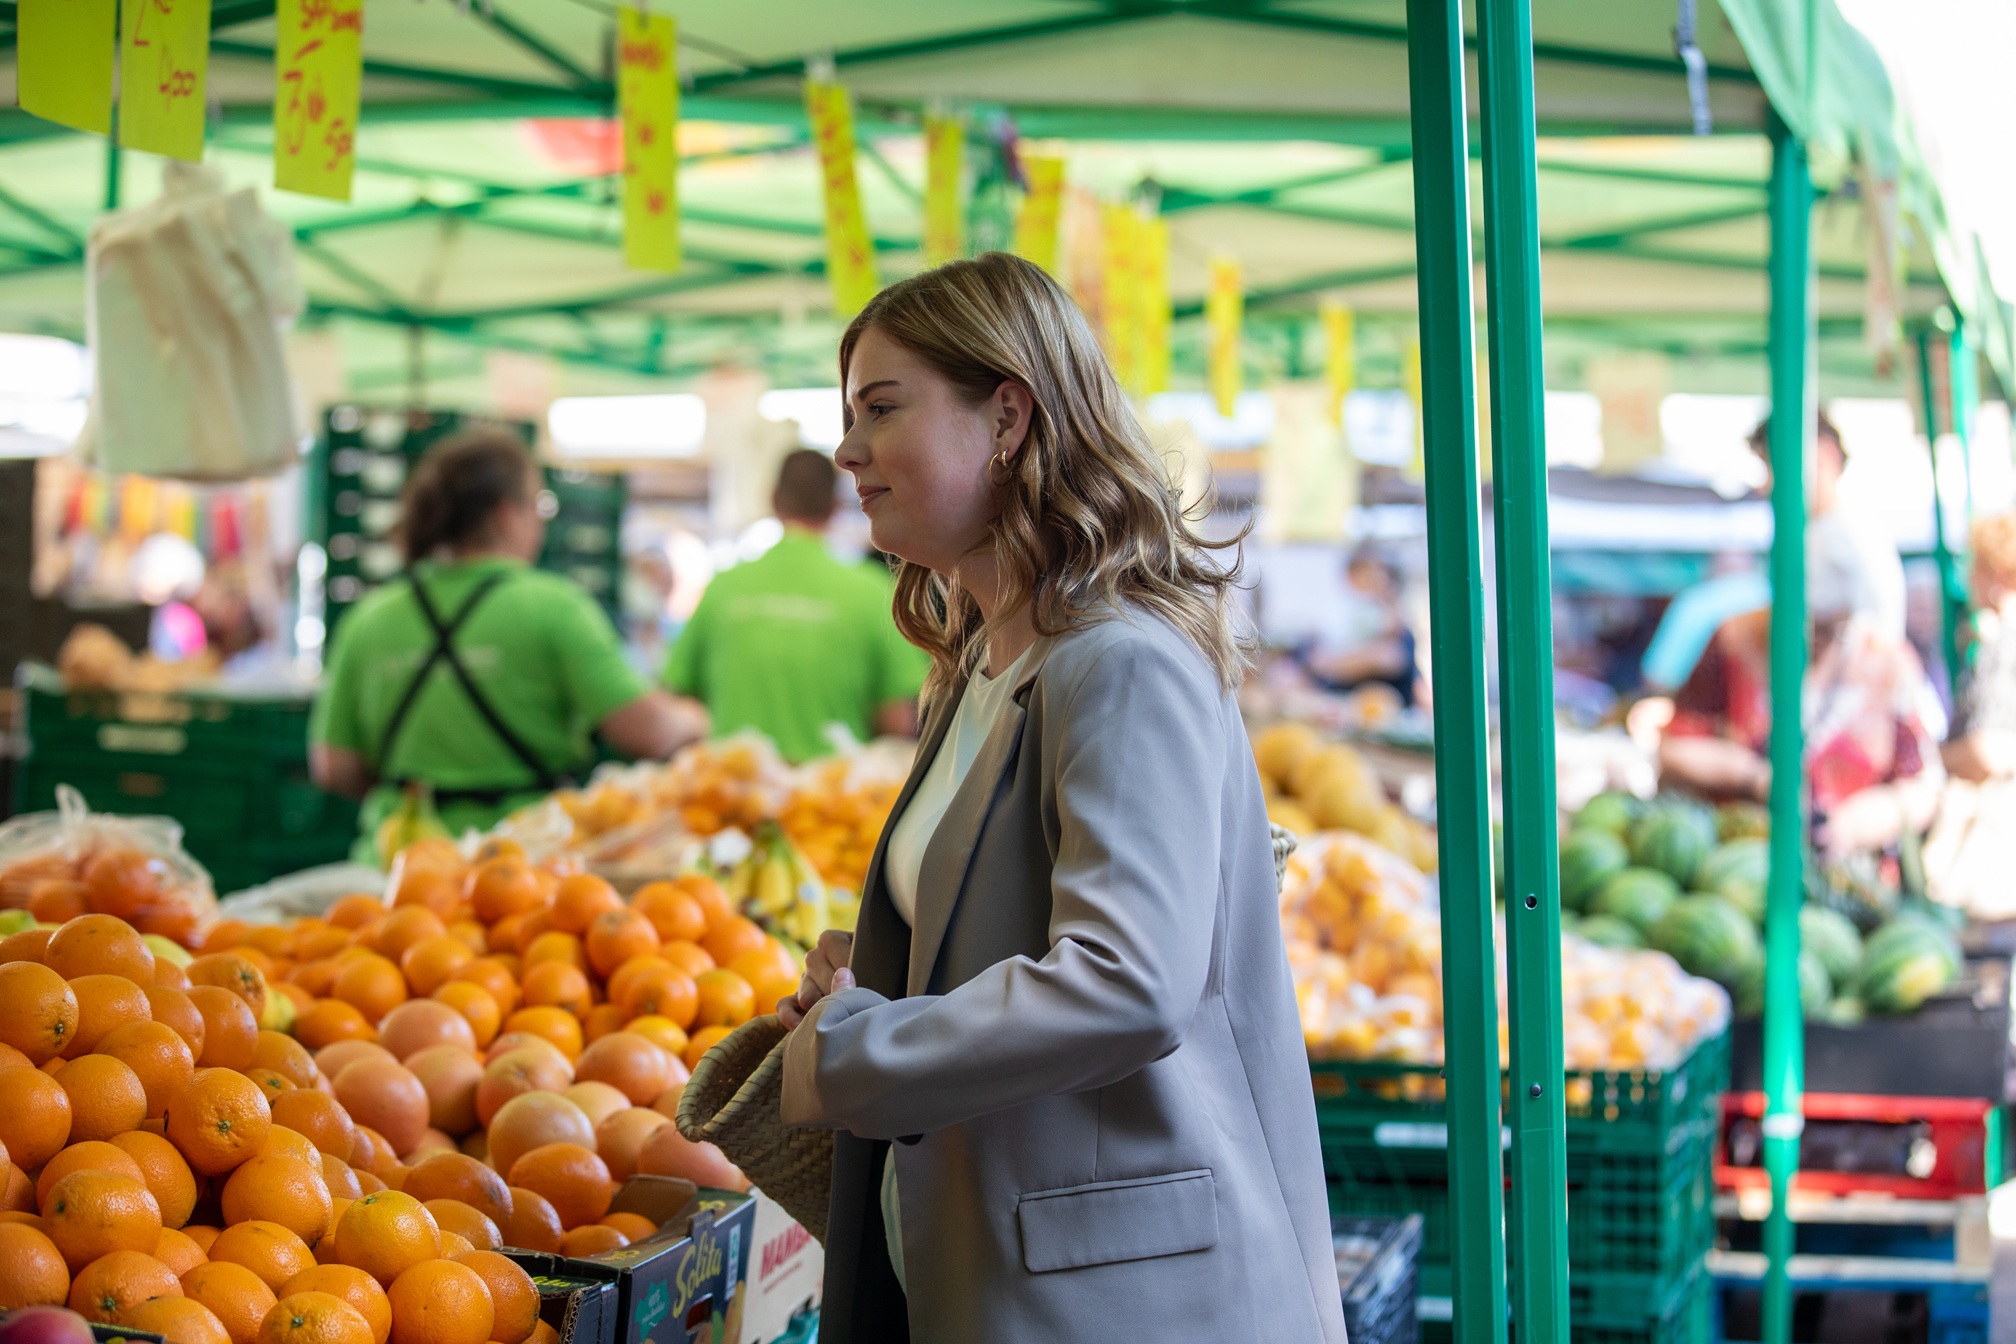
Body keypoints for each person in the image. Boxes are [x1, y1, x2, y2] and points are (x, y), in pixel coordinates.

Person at [773, 254, 1346, 1344]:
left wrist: (855, 1054)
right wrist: (881, 970)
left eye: (881, 411)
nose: (846, 452)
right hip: (993, 1266)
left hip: (1121, 1297)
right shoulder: (981, 663)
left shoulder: (1119, 661)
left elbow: (1127, 981)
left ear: (1007, 416)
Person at [310, 430, 706, 847]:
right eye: (538, 507)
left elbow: (334, 767)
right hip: (522, 868)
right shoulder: (554, 607)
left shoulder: (369, 619)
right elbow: (647, 730)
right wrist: (696, 717)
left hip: (398, 865)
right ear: (505, 514)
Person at [1658, 535, 1941, 859]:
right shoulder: (1736, 639)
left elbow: (1923, 786)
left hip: (1851, 875)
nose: (1817, 640)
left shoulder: (1888, 661)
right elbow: (1676, 743)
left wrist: (1851, 827)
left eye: (1833, 627)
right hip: (1740, 854)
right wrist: (1754, 776)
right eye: (1809, 624)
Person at [663, 448, 926, 763]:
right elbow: (897, 720)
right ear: (835, 507)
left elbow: (677, 702)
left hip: (731, 801)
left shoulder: (723, 586)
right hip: (832, 805)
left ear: (773, 499)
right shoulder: (874, 592)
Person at [1748, 409, 1907, 642]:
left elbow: (1878, 628)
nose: (1767, 485)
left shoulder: (1853, 529)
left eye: (1775, 467)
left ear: (1826, 454)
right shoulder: (1813, 532)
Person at [1305, 544, 1418, 705]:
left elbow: (1388, 659)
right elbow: (1317, 661)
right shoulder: (1345, 620)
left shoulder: (1393, 625)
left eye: (1373, 576)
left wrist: (1334, 663)